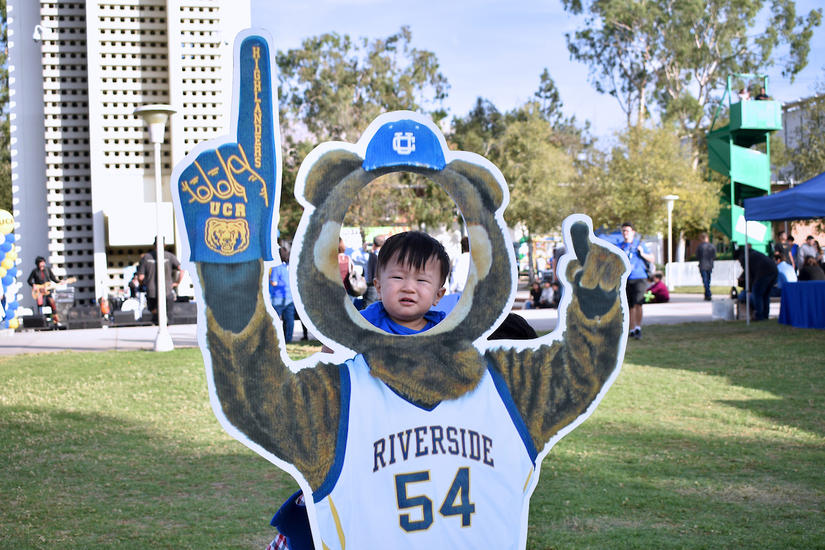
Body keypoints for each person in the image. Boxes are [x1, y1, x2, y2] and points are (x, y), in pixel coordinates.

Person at [359, 231, 448, 334]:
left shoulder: (446, 331)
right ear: (379, 287)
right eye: (398, 277)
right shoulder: (364, 322)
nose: (408, 288)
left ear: (438, 295)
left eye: (421, 280)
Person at [618, 222, 655, 339]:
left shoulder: (640, 244)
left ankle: (638, 328)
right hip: (625, 279)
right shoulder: (620, 247)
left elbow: (652, 258)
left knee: (638, 303)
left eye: (627, 231)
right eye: (623, 231)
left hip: (639, 277)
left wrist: (642, 253)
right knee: (629, 305)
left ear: (633, 232)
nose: (625, 233)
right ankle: (632, 329)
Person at [136, 238, 183, 325]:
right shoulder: (170, 256)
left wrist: (143, 284)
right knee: (169, 315)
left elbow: (141, 277)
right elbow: (182, 269)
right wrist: (177, 282)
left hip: (152, 291)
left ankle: (159, 325)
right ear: (164, 245)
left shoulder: (146, 257)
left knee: (155, 314)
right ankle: (168, 331)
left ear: (154, 245)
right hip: (167, 290)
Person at [734, 246, 777, 321]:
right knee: (765, 295)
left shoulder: (744, 257)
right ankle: (765, 315)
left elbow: (748, 273)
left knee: (757, 294)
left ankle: (759, 315)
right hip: (773, 270)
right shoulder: (753, 253)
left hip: (763, 273)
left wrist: (749, 287)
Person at [27, 256, 62, 324]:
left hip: (47, 290)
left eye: (43, 262)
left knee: (52, 303)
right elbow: (29, 281)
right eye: (41, 263)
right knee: (40, 304)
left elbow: (53, 279)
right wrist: (33, 285)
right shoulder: (35, 271)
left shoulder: (47, 270)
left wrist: (60, 281)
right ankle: (41, 319)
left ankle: (55, 319)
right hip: (39, 291)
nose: (42, 264)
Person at [270, 247, 295, 343]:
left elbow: (274, 283)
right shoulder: (289, 267)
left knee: (275, 320)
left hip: (278, 297)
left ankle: (274, 339)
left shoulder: (276, 267)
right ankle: (288, 339)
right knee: (289, 321)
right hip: (290, 297)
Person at [362, 235, 384, 307]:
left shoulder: (367, 256)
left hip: (371, 285)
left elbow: (354, 256)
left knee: (368, 306)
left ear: (374, 244)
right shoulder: (387, 255)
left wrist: (363, 249)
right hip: (384, 285)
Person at [695, 232, 716, 301]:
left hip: (702, 265)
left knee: (705, 281)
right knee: (708, 280)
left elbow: (697, 256)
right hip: (710, 265)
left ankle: (708, 294)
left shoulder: (700, 247)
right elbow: (714, 256)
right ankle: (707, 294)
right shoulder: (711, 246)